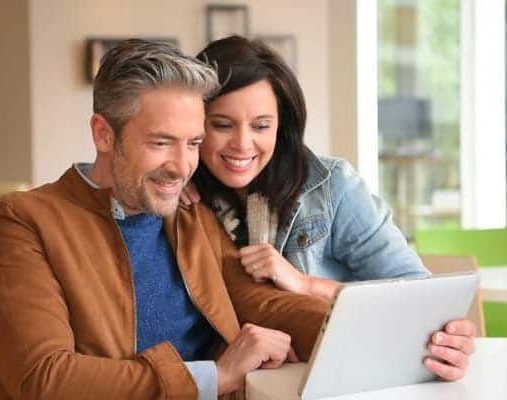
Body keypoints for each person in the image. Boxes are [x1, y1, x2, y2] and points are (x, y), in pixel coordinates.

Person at [0, 39, 328, 400]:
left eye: (193, 144)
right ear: (104, 134)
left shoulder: (189, 216)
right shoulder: (21, 223)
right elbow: (45, 380)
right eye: (161, 143)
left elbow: (263, 302)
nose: (183, 167)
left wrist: (350, 331)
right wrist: (214, 377)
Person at [181, 35, 476, 381]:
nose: (243, 144)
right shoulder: (182, 196)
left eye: (261, 125)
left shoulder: (331, 187)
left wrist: (305, 284)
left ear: (282, 124)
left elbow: (417, 296)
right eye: (222, 125)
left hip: (341, 380)